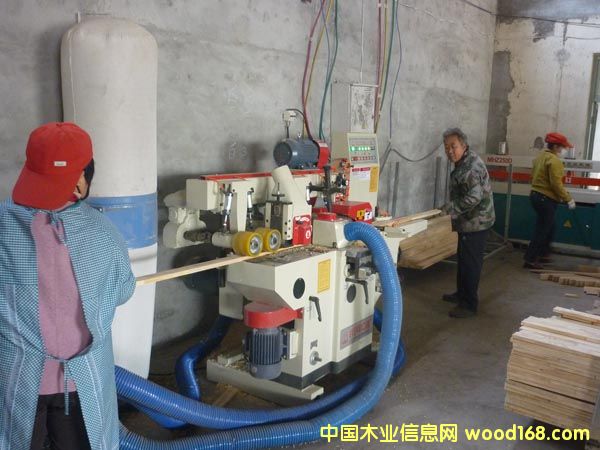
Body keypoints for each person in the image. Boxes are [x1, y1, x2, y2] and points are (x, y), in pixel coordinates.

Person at [0, 122, 136, 450]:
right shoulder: (103, 233)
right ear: (81, 179)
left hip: (16, 378)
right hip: (79, 381)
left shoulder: (3, 224)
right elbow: (123, 290)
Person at [441, 128, 495, 318]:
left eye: (453, 146)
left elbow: (474, 197)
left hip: (476, 222)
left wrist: (450, 209)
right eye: (446, 147)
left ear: (463, 145)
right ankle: (461, 294)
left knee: (470, 264)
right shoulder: (464, 161)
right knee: (463, 260)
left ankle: (469, 304)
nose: (449, 151)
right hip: (467, 221)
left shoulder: (470, 167)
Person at [523, 132, 576, 269]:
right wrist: (568, 198)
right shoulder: (554, 161)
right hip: (545, 199)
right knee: (542, 230)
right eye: (562, 147)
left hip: (536, 195)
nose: (563, 150)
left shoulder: (541, 157)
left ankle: (543, 254)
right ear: (556, 146)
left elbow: (534, 176)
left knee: (550, 227)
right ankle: (530, 260)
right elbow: (556, 184)